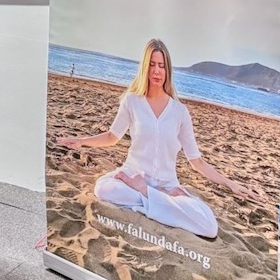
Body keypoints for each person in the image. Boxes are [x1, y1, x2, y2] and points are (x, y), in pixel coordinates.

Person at [57, 38, 260, 238]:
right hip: (132, 176)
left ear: (168, 70)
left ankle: (147, 195)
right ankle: (156, 200)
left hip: (167, 185)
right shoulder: (132, 101)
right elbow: (112, 137)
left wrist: (231, 184)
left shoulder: (180, 112)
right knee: (103, 188)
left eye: (161, 66)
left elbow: (197, 161)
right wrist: (82, 140)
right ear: (145, 67)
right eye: (152, 65)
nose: (156, 71)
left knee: (209, 225)